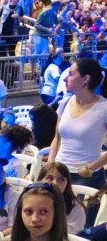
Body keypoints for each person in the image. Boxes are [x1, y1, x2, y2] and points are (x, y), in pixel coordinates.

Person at [48, 57, 107, 188]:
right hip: (59, 172)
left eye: (70, 74)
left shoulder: (104, 107)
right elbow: (57, 138)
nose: (65, 78)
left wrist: (90, 168)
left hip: (86, 175)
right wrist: (51, 163)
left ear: (85, 79)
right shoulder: (65, 103)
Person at [37, 162, 86, 234]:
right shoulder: (30, 200)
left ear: (67, 184)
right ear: (40, 180)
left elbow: (72, 235)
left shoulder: (76, 208)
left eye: (61, 179)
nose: (55, 183)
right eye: (50, 178)